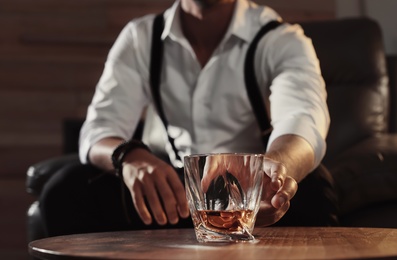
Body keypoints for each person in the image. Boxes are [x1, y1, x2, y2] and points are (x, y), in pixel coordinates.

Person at [39, 0, 338, 237]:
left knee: (312, 188)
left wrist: (276, 170)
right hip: (174, 198)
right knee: (65, 190)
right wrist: (131, 157)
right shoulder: (141, 37)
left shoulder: (281, 39)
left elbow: (302, 119)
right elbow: (99, 127)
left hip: (255, 200)